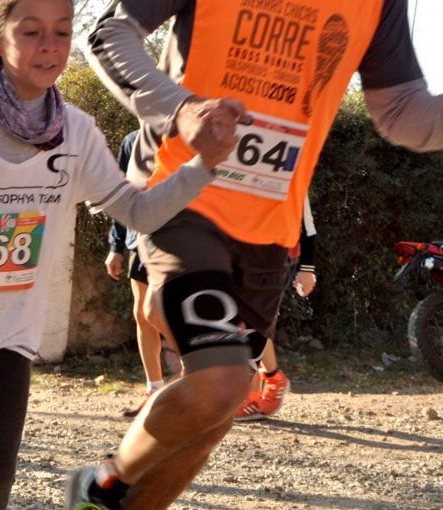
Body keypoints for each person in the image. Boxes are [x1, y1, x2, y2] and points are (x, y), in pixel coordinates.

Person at [0, 0, 237, 508]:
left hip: (12, 325)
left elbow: (137, 212)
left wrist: (203, 164)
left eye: (61, 31)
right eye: (31, 32)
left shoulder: (76, 132)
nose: (50, 46)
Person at [67, 1, 443, 509]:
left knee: (211, 414)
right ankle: (101, 484)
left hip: (269, 234)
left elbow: (403, 113)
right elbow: (109, 34)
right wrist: (183, 108)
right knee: (223, 384)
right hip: (184, 199)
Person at [105, 131, 180, 418]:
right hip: (140, 238)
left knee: (160, 313)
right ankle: (153, 389)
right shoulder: (131, 141)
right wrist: (116, 247)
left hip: (177, 240)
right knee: (141, 313)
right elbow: (122, 196)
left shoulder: (185, 136)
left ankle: (195, 371)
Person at [235, 198, 317, 421]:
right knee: (250, 321)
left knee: (252, 322)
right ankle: (272, 378)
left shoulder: (293, 170)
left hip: (279, 257)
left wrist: (307, 268)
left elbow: (307, 223)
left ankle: (249, 398)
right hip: (242, 254)